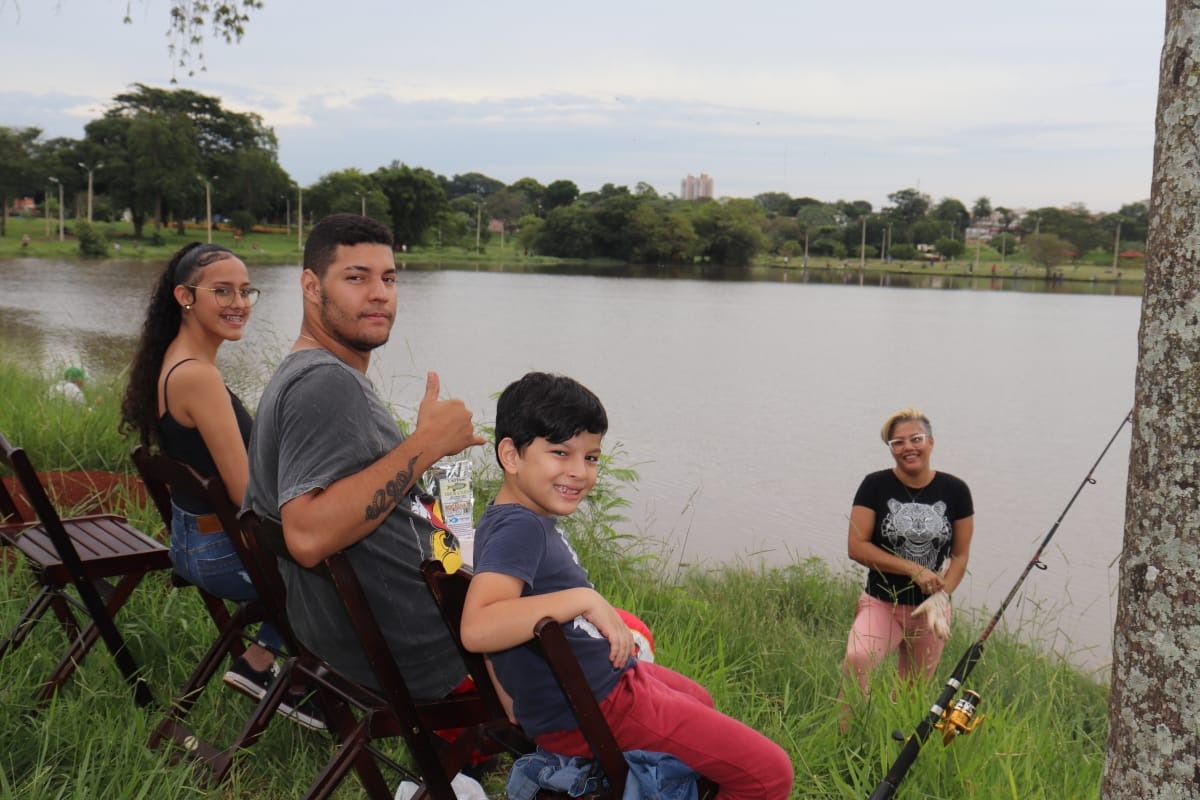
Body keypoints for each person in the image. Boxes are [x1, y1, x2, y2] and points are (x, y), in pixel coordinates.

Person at [461, 372, 794, 800]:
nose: (579, 472)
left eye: (592, 458)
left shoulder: (512, 516)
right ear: (511, 454)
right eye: (560, 453)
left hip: (594, 689)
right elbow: (478, 626)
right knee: (768, 774)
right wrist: (584, 599)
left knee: (698, 697)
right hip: (598, 706)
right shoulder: (520, 529)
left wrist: (515, 702)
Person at [244, 213, 484, 701]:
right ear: (311, 286)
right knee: (626, 640)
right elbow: (308, 535)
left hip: (358, 635)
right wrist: (426, 444)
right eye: (356, 278)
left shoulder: (311, 372)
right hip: (423, 653)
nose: (380, 294)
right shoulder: (325, 383)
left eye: (388, 278)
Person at [118, 242, 322, 730]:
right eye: (222, 291)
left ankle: (269, 667)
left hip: (198, 543)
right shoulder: (198, 377)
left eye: (246, 291)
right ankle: (285, 673)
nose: (239, 303)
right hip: (224, 554)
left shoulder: (174, 359)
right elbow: (244, 491)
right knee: (336, 560)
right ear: (185, 297)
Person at [840, 407, 974, 703]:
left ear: (931, 441)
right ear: (891, 449)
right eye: (897, 443)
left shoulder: (956, 490)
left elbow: (961, 555)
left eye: (916, 438)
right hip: (882, 602)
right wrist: (913, 569)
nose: (908, 447)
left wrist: (943, 595)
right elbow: (857, 546)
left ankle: (890, 744)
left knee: (911, 695)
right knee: (857, 659)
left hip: (930, 609)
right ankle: (846, 738)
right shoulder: (874, 485)